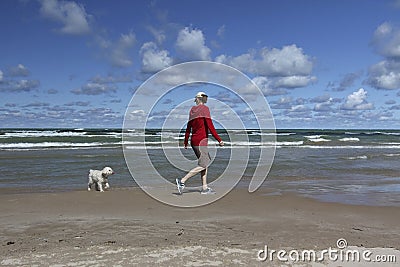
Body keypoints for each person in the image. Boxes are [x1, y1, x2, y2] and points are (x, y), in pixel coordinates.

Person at [176, 92, 224, 195]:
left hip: (194, 141)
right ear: (201, 98)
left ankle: (204, 188)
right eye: (205, 96)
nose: (207, 98)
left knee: (204, 164)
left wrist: (185, 141)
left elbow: (188, 127)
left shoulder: (192, 111)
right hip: (201, 141)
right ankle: (182, 181)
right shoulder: (205, 109)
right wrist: (219, 139)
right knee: (204, 164)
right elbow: (210, 126)